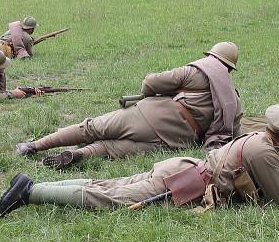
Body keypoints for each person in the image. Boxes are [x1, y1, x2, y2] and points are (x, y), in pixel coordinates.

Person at [0, 104, 279, 217]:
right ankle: (30, 193)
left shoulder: (259, 140)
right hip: (182, 185)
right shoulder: (263, 150)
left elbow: (268, 170)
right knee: (109, 198)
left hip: (181, 170)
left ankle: (32, 186)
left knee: (108, 186)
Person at [16, 42, 243, 170]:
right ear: (230, 68)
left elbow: (149, 83)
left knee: (92, 128)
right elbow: (231, 136)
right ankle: (79, 155)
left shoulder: (192, 72)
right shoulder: (233, 100)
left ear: (210, 57)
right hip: (173, 141)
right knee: (110, 149)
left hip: (147, 115)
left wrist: (158, 93)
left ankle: (34, 146)